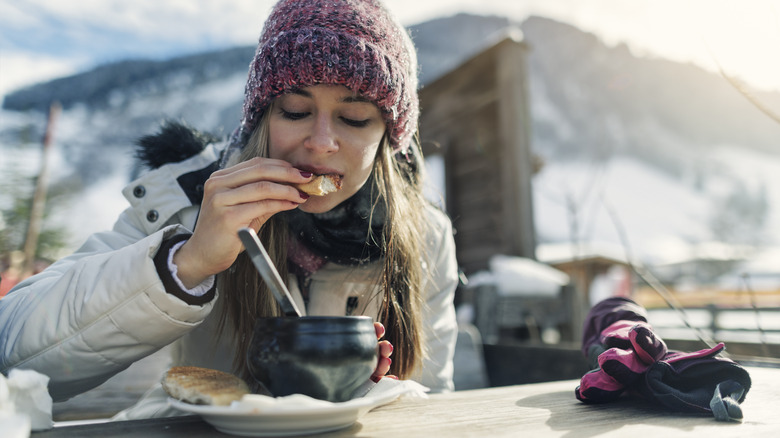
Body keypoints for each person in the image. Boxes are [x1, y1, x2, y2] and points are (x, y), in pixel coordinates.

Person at [0, 0, 459, 419]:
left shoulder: (425, 234)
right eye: (295, 110)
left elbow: (433, 400)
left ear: (388, 136)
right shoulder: (183, 201)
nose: (320, 143)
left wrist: (373, 395)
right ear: (262, 117)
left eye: (355, 118)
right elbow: (13, 351)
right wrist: (186, 262)